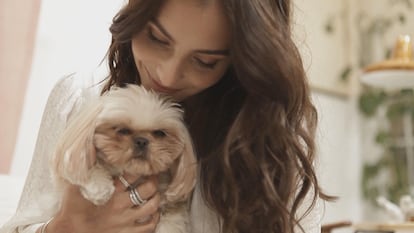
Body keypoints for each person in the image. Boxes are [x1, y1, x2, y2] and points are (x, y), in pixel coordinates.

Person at [1, 0, 331, 232]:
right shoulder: (79, 98)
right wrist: (65, 229)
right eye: (156, 39)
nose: (167, 76)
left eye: (205, 61)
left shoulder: (276, 138)